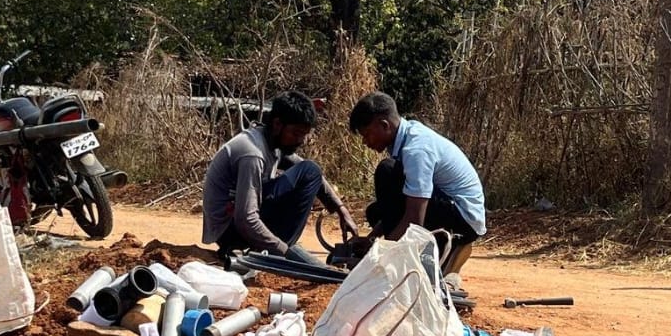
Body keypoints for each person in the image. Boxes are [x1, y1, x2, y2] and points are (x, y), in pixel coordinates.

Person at [202, 90, 359, 266]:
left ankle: (279, 249)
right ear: (277, 124)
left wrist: (341, 210)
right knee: (309, 171)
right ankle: (278, 252)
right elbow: (245, 219)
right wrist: (286, 253)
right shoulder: (252, 154)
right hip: (231, 230)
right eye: (296, 133)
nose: (301, 140)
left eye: (304, 135)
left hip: (237, 224)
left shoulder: (273, 142)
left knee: (310, 171)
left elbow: (312, 174)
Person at [347, 91, 486, 256]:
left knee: (386, 171)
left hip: (464, 221)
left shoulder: (416, 149)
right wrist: (372, 239)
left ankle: (406, 258)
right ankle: (413, 253)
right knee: (376, 211)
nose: (365, 142)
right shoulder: (407, 136)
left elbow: (415, 218)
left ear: (384, 125)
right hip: (451, 209)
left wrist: (382, 252)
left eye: (367, 134)